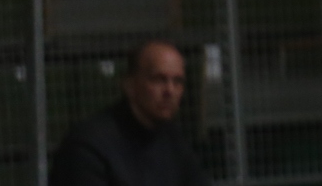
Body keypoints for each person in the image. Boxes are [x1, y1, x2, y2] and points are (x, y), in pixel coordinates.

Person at [49, 41, 210, 186]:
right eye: (158, 79)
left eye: (178, 81)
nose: (170, 91)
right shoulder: (88, 146)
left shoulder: (174, 141)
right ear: (130, 85)